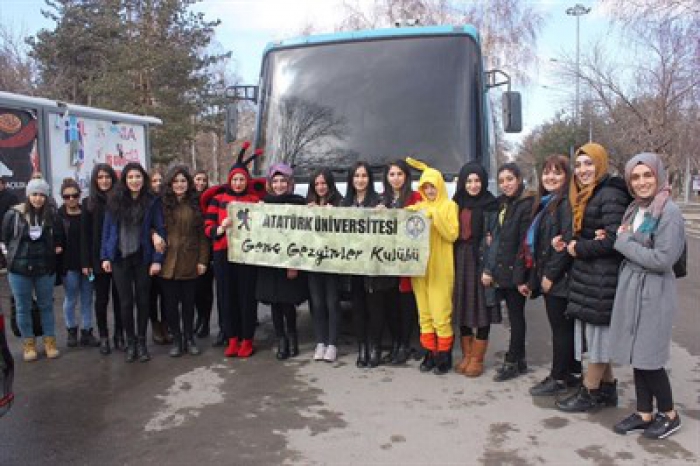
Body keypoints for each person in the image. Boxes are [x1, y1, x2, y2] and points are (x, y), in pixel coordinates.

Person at [609, 152, 685, 439]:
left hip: (654, 291)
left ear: (659, 176)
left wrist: (624, 242)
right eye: (635, 177)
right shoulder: (635, 209)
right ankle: (644, 412)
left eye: (647, 175)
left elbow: (662, 259)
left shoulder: (669, 212)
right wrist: (624, 241)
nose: (642, 182)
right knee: (637, 354)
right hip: (632, 287)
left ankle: (669, 414)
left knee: (650, 356)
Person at [555, 142, 631, 412]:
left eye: (588, 164)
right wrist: (569, 242)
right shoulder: (591, 192)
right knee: (598, 336)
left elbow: (614, 240)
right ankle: (607, 390)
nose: (582, 170)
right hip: (591, 276)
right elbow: (591, 232)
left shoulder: (609, 193)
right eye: (578, 165)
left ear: (600, 164)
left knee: (599, 336)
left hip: (603, 279)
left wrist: (579, 248)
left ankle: (589, 392)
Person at [524, 155, 581, 395]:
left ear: (567, 176)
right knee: (562, 328)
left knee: (561, 330)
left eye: (557, 172)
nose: (550, 177)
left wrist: (549, 275)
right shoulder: (548, 202)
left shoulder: (565, 204)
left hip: (561, 279)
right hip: (552, 276)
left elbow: (566, 241)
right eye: (547, 172)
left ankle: (558, 377)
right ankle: (569, 373)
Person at [101, 163, 165, 363]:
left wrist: (157, 260)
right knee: (125, 302)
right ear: (125, 180)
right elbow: (108, 231)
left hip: (142, 257)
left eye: (138, 177)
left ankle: (142, 343)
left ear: (143, 179)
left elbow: (159, 228)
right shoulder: (114, 201)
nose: (134, 181)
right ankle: (130, 343)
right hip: (120, 257)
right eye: (130, 177)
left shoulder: (152, 202)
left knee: (143, 301)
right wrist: (105, 256)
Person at [203, 151, 260, 358]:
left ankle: (247, 339)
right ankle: (232, 338)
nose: (238, 183)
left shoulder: (254, 201)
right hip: (223, 253)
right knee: (227, 297)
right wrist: (220, 228)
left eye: (241, 179)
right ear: (229, 180)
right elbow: (207, 227)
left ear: (247, 181)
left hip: (246, 256)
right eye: (235, 179)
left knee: (246, 298)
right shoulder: (218, 200)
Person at [405, 158, 459, 375]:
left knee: (441, 315)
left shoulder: (449, 206)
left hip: (441, 269)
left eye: (432, 186)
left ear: (439, 186)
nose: (429, 190)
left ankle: (444, 356)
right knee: (424, 315)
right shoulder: (418, 207)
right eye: (425, 187)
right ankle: (429, 352)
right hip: (420, 270)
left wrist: (434, 215)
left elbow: (452, 234)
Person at [2, 178, 64, 361]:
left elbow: (59, 237)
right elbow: (5, 238)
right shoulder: (13, 214)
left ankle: (49, 341)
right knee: (23, 307)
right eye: (35, 194)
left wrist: (56, 248)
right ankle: (28, 344)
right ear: (28, 195)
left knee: (46, 306)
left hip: (45, 268)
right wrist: (9, 257)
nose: (38, 198)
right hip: (19, 270)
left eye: (42, 195)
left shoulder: (51, 215)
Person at [482, 163, 534, 382]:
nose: (505, 184)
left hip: (516, 270)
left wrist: (522, 278)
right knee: (513, 316)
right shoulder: (503, 203)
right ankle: (519, 360)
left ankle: (512, 361)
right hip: (504, 268)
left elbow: (524, 243)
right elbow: (499, 235)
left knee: (516, 317)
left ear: (519, 179)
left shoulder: (526, 205)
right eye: (502, 181)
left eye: (509, 179)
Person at [342, 162, 394, 368]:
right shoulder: (345, 203)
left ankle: (375, 346)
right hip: (353, 265)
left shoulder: (379, 201)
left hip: (374, 265)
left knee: (375, 308)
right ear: (351, 180)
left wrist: (386, 213)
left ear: (369, 179)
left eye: (364, 176)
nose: (360, 180)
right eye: (356, 176)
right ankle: (362, 346)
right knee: (358, 308)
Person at [452, 162, 500, 378]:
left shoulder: (491, 205)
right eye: (469, 181)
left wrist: (489, 269)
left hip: (479, 258)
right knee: (462, 307)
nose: (473, 185)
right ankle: (467, 354)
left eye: (477, 181)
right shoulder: (456, 202)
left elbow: (494, 239)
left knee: (482, 309)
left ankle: (477, 359)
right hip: (459, 258)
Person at [256, 163, 308, 360]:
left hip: (289, 261)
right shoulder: (264, 204)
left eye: (282, 181)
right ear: (270, 184)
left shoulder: (298, 203)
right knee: (274, 303)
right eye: (275, 181)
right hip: (270, 261)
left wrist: (293, 263)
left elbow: (302, 236)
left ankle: (293, 337)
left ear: (289, 183)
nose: (278, 185)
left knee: (287, 303)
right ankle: (281, 340)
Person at [156, 166, 209, 357]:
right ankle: (177, 340)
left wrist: (203, 259)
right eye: (176, 181)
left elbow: (202, 235)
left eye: (183, 181)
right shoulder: (161, 204)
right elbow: (151, 226)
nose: (179, 185)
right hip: (167, 261)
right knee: (170, 305)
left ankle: (189, 338)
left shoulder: (195, 204)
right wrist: (154, 235)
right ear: (170, 183)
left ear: (188, 184)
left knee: (188, 304)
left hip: (190, 259)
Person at [379, 160, 422, 365]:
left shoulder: (416, 198)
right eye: (391, 174)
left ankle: (405, 343)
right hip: (386, 261)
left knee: (406, 304)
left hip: (406, 262)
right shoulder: (381, 201)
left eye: (399, 174)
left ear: (406, 177)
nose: (395, 178)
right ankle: (395, 343)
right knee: (390, 304)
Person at [81, 164, 122, 354]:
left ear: (113, 179)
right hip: (98, 259)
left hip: (118, 256)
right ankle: (104, 335)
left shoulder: (121, 200)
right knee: (102, 299)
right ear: (95, 181)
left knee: (121, 298)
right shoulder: (88, 203)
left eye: (107, 177)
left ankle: (120, 335)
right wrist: (86, 262)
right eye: (100, 177)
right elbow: (85, 236)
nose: (104, 181)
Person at [306, 168, 343, 363]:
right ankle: (320, 341)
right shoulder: (308, 204)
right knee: (317, 303)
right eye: (317, 184)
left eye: (323, 183)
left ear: (330, 184)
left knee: (332, 302)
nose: (320, 187)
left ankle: (332, 343)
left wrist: (335, 214)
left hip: (332, 262)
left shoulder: (340, 202)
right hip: (313, 262)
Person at [58, 178, 97, 348]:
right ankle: (71, 330)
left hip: (88, 265)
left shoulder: (87, 214)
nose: (71, 199)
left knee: (87, 299)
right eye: (67, 197)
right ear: (62, 198)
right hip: (69, 266)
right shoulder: (58, 216)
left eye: (74, 195)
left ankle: (87, 331)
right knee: (71, 299)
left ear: (79, 196)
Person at [192, 170, 215, 339]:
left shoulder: (210, 200)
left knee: (205, 290)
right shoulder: (189, 199)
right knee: (194, 291)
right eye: (197, 179)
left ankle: (205, 322)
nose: (200, 183)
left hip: (208, 250)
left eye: (203, 180)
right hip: (190, 251)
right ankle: (199, 319)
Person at [148, 167, 169, 345]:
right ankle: (155, 325)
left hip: (168, 252)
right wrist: (153, 232)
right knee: (151, 294)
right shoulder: (146, 201)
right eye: (154, 181)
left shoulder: (167, 200)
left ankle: (165, 325)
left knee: (166, 293)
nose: (158, 184)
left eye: (160, 180)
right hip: (149, 253)